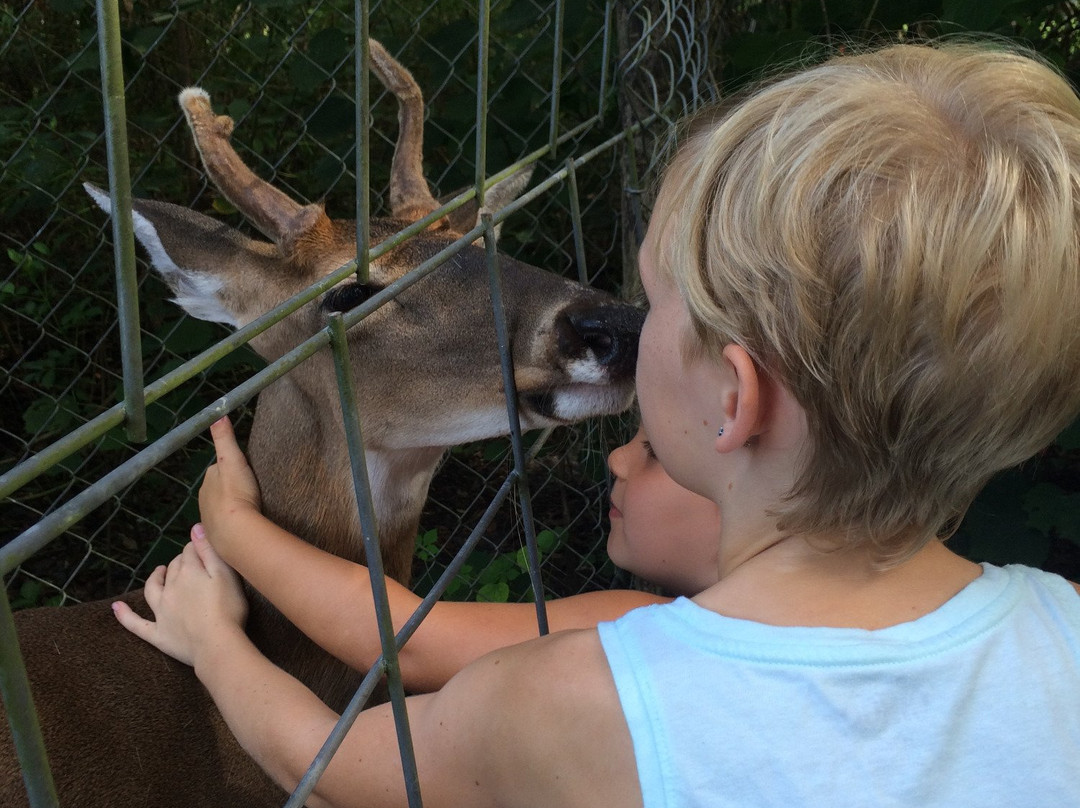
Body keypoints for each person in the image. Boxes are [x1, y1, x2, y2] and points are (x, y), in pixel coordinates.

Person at [115, 41, 1080, 808]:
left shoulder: (576, 697)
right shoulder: (1063, 628)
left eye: (654, 304)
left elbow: (324, 760)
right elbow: (408, 636)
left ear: (734, 402)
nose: (616, 314)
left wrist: (215, 632)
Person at [116, 417, 720, 694]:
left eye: (655, 452)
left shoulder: (646, 625)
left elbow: (404, 642)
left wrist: (232, 531)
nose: (616, 457)